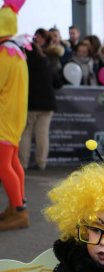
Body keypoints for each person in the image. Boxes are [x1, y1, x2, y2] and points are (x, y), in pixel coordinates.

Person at [0, 0, 29, 231]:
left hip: (3, 117)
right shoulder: (17, 51)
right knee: (12, 162)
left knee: (3, 165)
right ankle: (16, 206)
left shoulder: (4, 53)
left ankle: (18, 212)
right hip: (15, 117)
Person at [19, 40, 62, 171]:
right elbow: (58, 83)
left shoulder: (22, 64)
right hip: (47, 104)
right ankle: (41, 163)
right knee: (42, 134)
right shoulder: (46, 62)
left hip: (29, 104)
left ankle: (23, 164)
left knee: (26, 133)